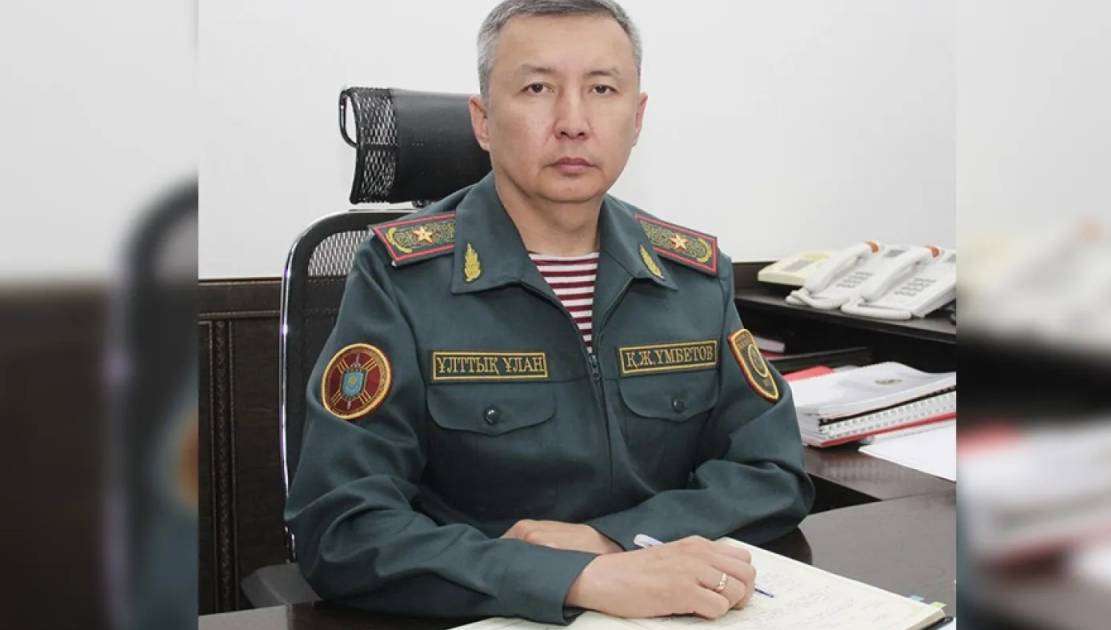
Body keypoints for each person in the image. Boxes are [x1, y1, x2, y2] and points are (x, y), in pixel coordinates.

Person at [284, 0, 814, 624]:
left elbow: (771, 471)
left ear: (637, 117)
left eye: (603, 88)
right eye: (537, 88)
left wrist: (611, 540)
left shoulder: (691, 276)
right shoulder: (400, 278)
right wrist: (576, 579)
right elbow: (342, 528)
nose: (573, 121)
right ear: (482, 120)